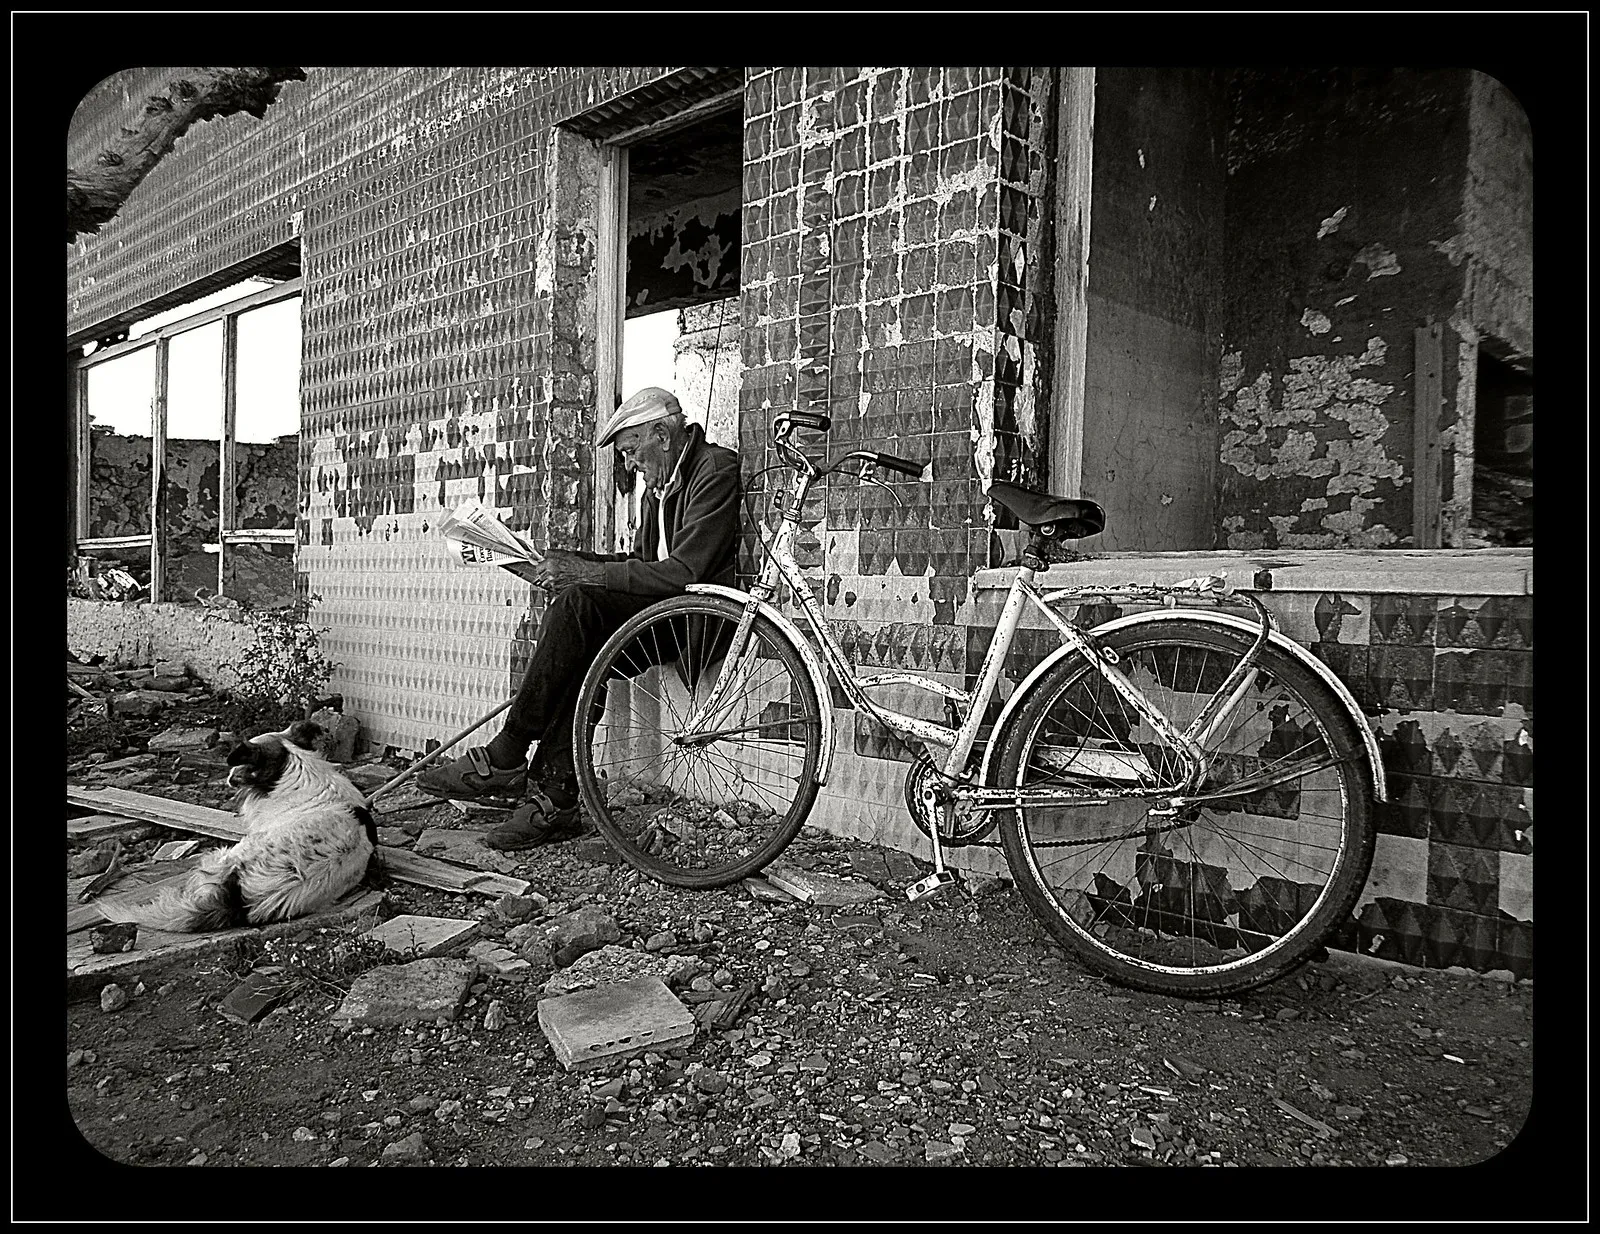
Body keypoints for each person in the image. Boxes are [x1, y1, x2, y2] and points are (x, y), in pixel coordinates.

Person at [416, 387, 743, 849]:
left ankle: (509, 754)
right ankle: (555, 799)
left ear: (662, 435)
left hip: (695, 621)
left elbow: (685, 573)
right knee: (576, 636)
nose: (631, 466)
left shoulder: (715, 470)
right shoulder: (660, 486)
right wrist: (563, 563)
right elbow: (641, 559)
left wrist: (585, 574)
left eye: (632, 452)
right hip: (663, 612)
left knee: (578, 606)